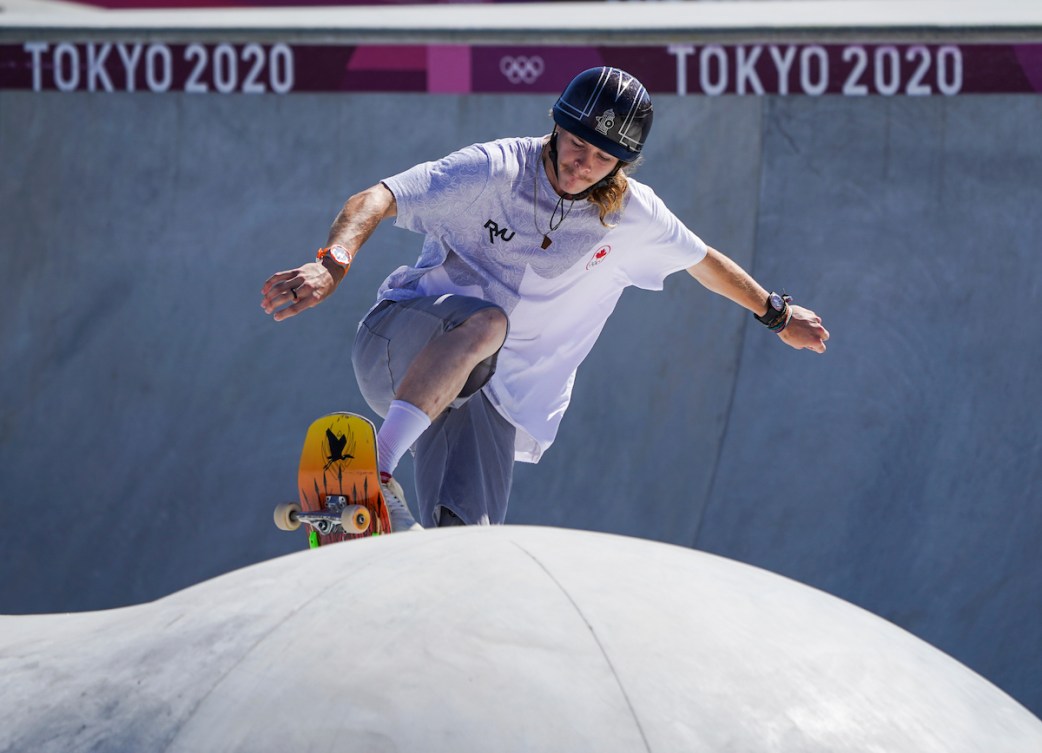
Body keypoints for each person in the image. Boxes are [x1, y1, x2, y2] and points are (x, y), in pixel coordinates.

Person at [261, 66, 829, 532]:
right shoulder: (494, 170)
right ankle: (374, 471)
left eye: (601, 158)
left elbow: (704, 263)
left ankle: (394, 570)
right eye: (576, 144)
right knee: (488, 323)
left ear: (621, 163)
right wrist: (332, 263)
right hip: (402, 343)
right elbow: (379, 197)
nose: (582, 164)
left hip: (490, 401)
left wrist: (777, 315)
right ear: (556, 127)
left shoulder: (632, 213)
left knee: (466, 549)